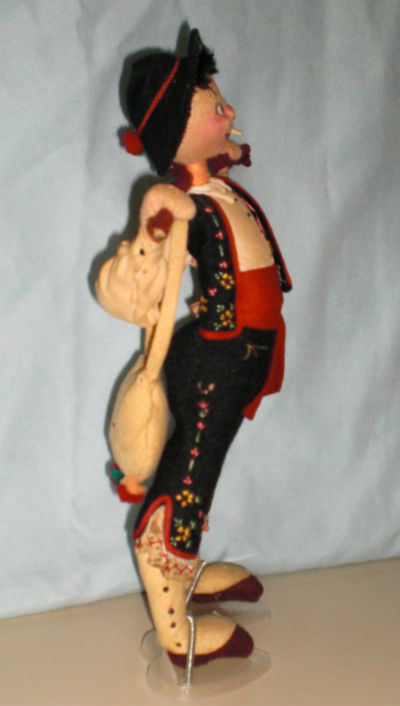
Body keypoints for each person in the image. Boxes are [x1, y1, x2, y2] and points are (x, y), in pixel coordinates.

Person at [96, 28, 292, 667]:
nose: (228, 109)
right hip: (215, 363)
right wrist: (154, 228)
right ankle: (170, 610)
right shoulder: (184, 207)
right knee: (190, 476)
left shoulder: (217, 190)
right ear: (176, 128)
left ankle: (187, 568)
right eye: (212, 103)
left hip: (240, 358)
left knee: (203, 471)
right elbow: (130, 291)